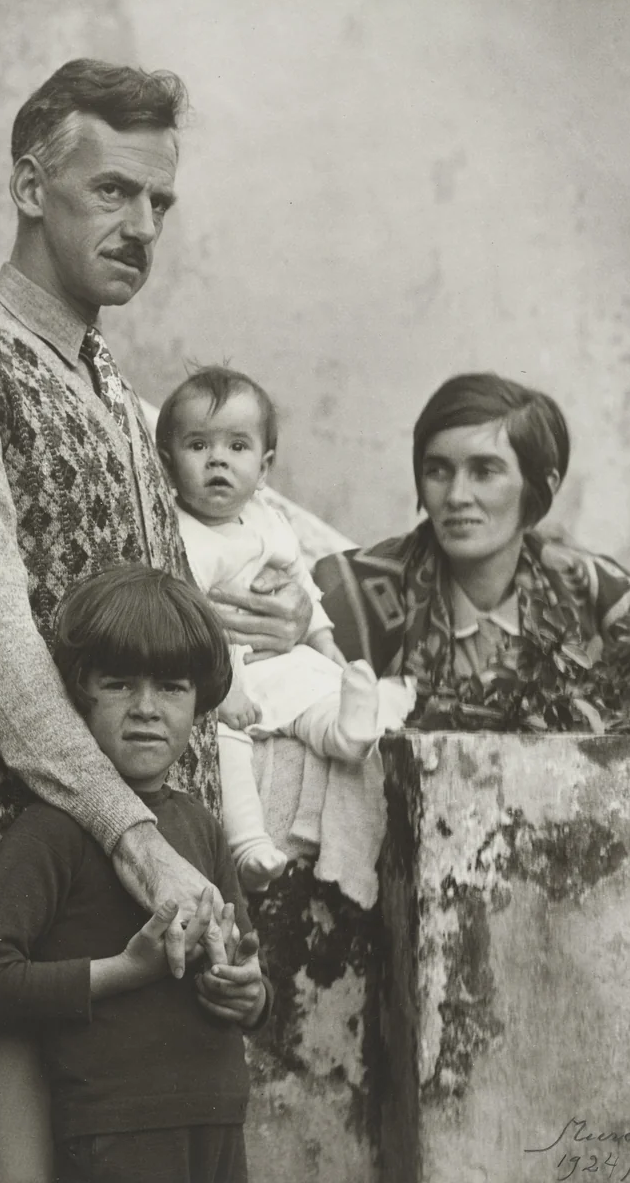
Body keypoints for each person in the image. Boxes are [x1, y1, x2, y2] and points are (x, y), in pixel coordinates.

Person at [0, 60, 308, 1183]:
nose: (141, 225)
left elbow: (101, 609)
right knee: (20, 1172)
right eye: (111, 190)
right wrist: (140, 843)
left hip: (144, 840)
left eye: (158, 201)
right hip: (4, 842)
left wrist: (248, 622)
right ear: (28, 184)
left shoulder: (113, 387)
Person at [0, 566, 270, 1183]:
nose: (146, 709)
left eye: (172, 687)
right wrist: (124, 973)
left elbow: (247, 974)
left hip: (218, 1118)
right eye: (119, 684)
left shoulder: (200, 826)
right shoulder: (53, 832)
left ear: (200, 701)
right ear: (79, 694)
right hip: (113, 1136)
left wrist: (250, 994)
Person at [156, 366, 413, 891]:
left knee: (318, 691)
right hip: (223, 668)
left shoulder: (270, 522)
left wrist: (327, 648)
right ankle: (249, 844)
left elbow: (304, 592)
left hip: (280, 658)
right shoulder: (177, 535)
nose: (218, 460)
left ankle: (346, 733)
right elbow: (185, 617)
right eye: (198, 445)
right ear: (168, 464)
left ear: (265, 467)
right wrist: (223, 687)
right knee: (223, 738)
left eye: (237, 446)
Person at [315, 372, 630, 686]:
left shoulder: (585, 588)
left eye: (485, 471)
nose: (456, 496)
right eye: (438, 471)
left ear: (540, 487)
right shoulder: (355, 593)